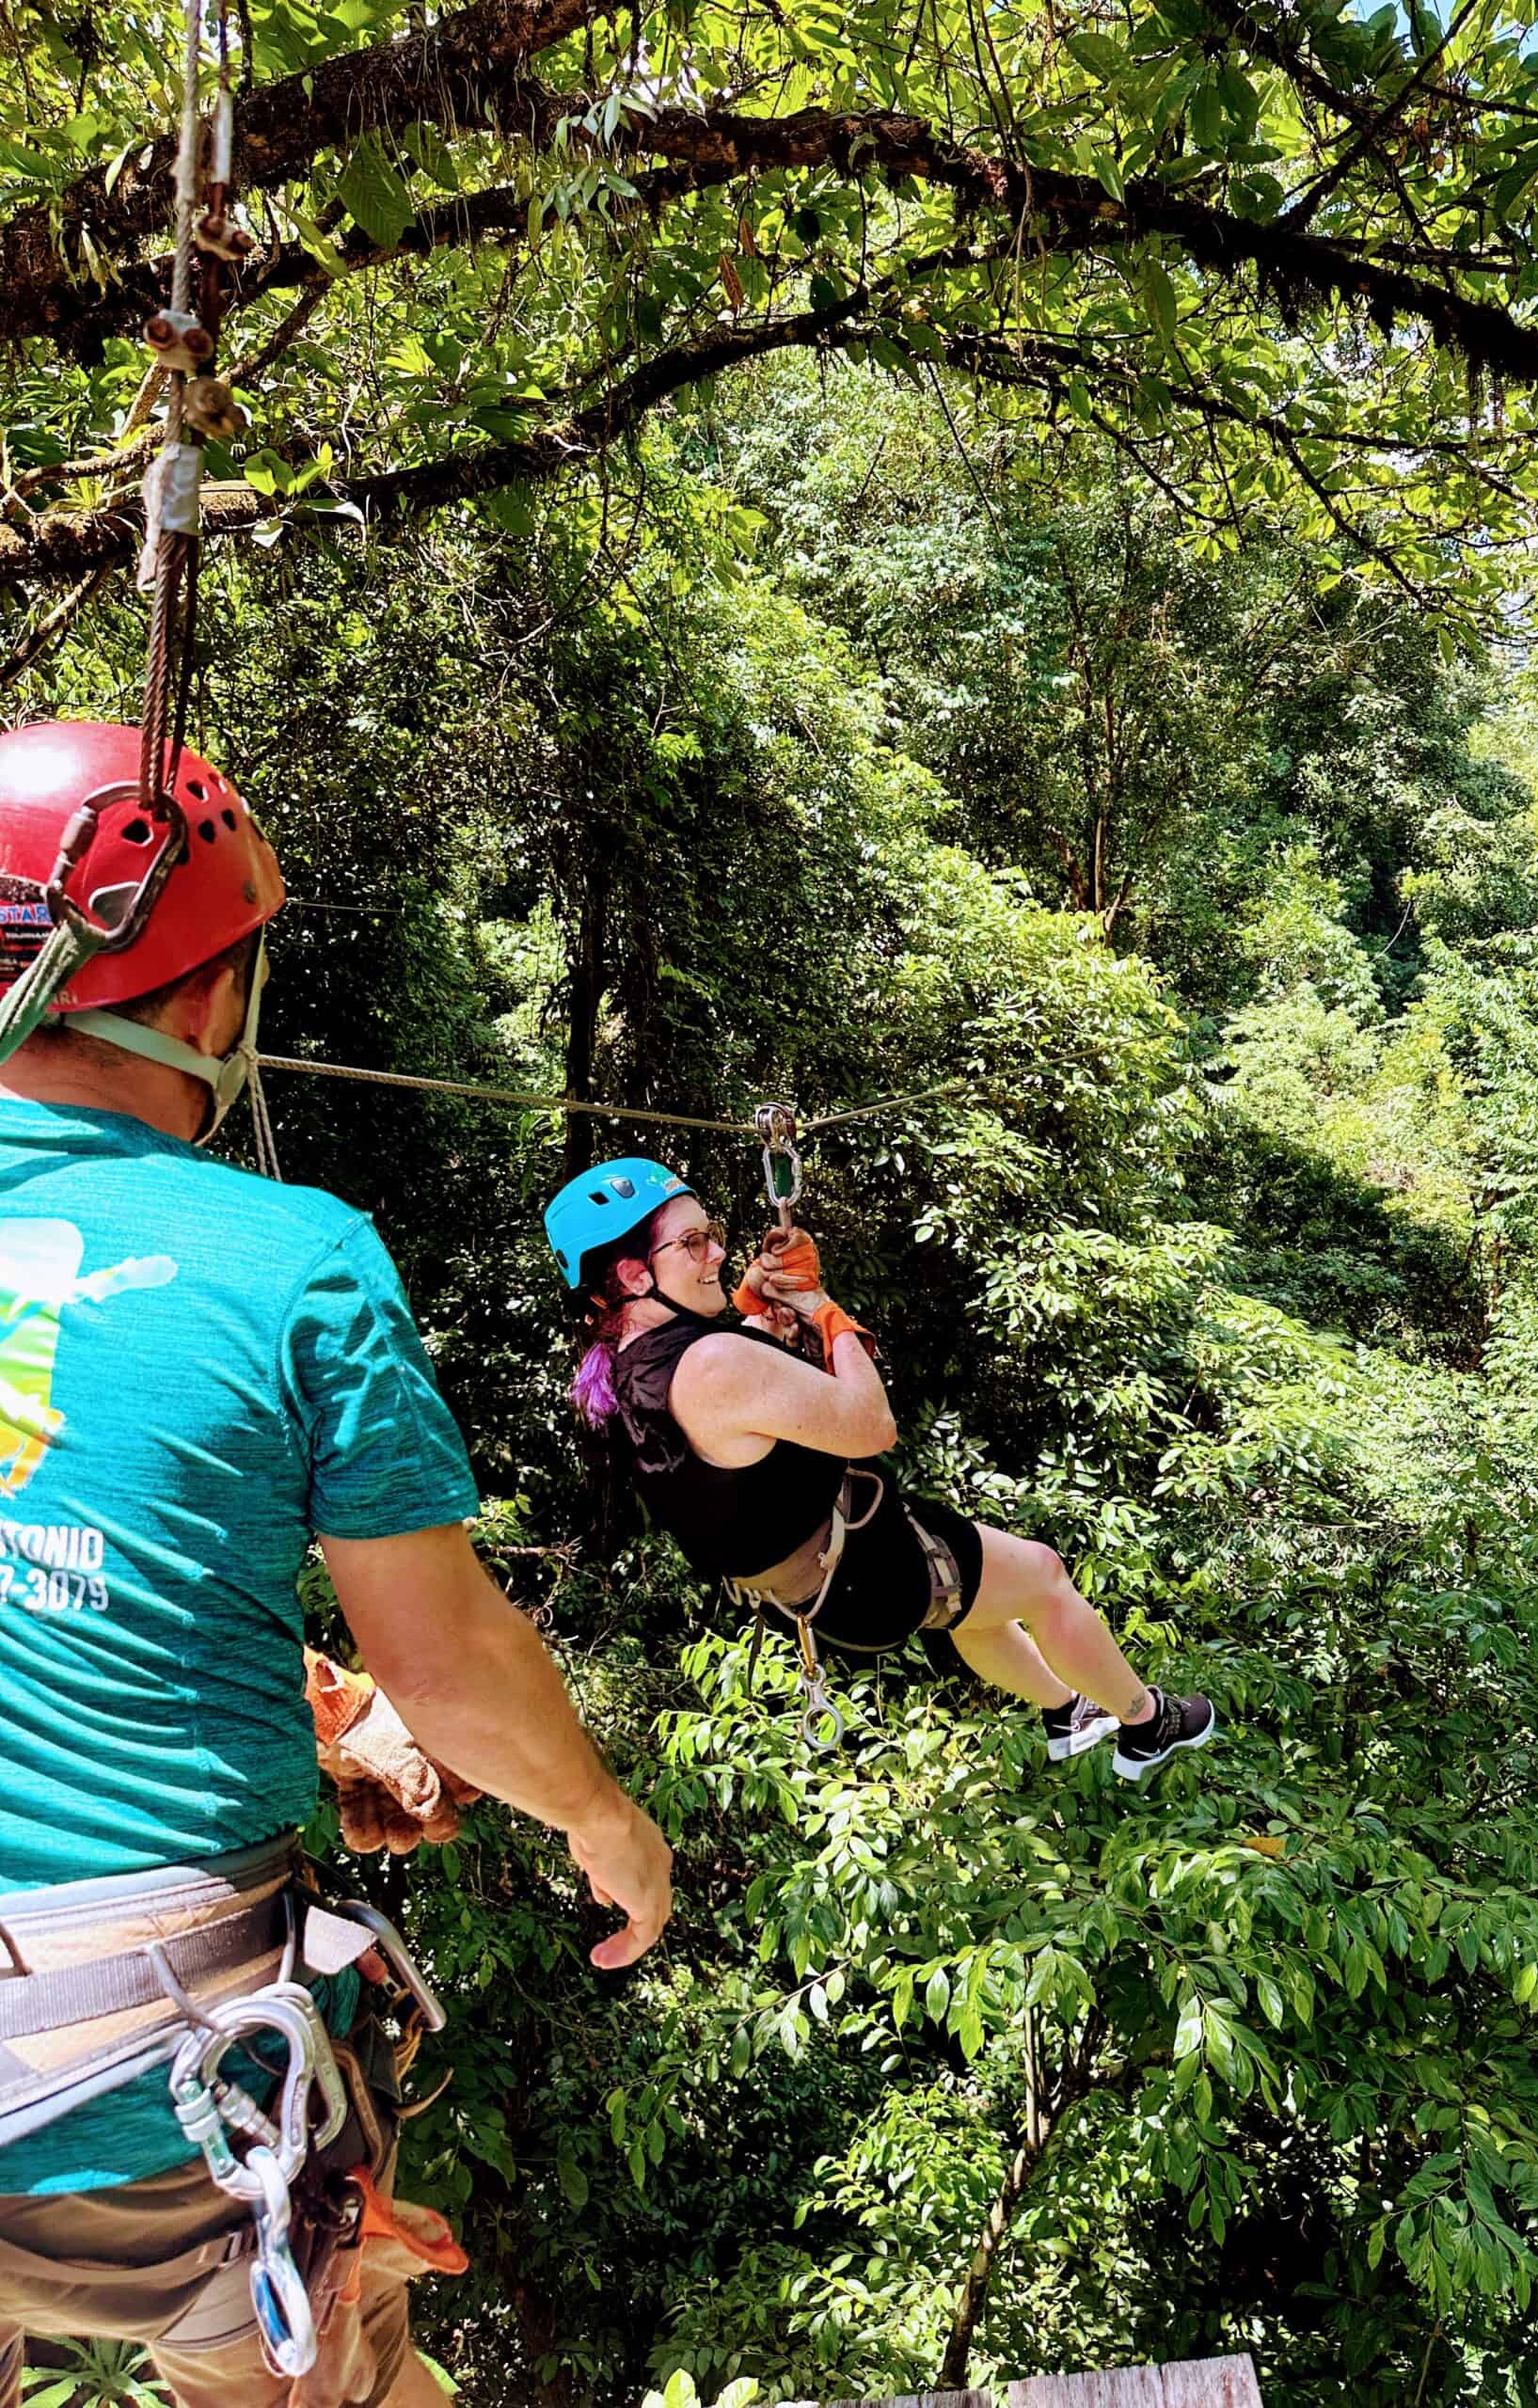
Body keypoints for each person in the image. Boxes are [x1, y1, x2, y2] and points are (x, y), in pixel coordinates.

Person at [0, 722, 672, 2408]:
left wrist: (332, 1712)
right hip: (144, 2113)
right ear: (213, 1004)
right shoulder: (288, 1259)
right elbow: (452, 1664)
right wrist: (605, 1822)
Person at [546, 1158, 1217, 1780]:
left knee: (971, 1605)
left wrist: (752, 1301)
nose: (718, 1251)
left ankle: (1065, 1710)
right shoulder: (714, 1365)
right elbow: (870, 1425)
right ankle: (1147, 1722)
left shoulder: (616, 1373)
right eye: (693, 1244)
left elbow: (726, 1391)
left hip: (815, 1582)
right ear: (635, 1275)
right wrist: (823, 1312)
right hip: (868, 1566)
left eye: (712, 1235)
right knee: (1041, 1575)